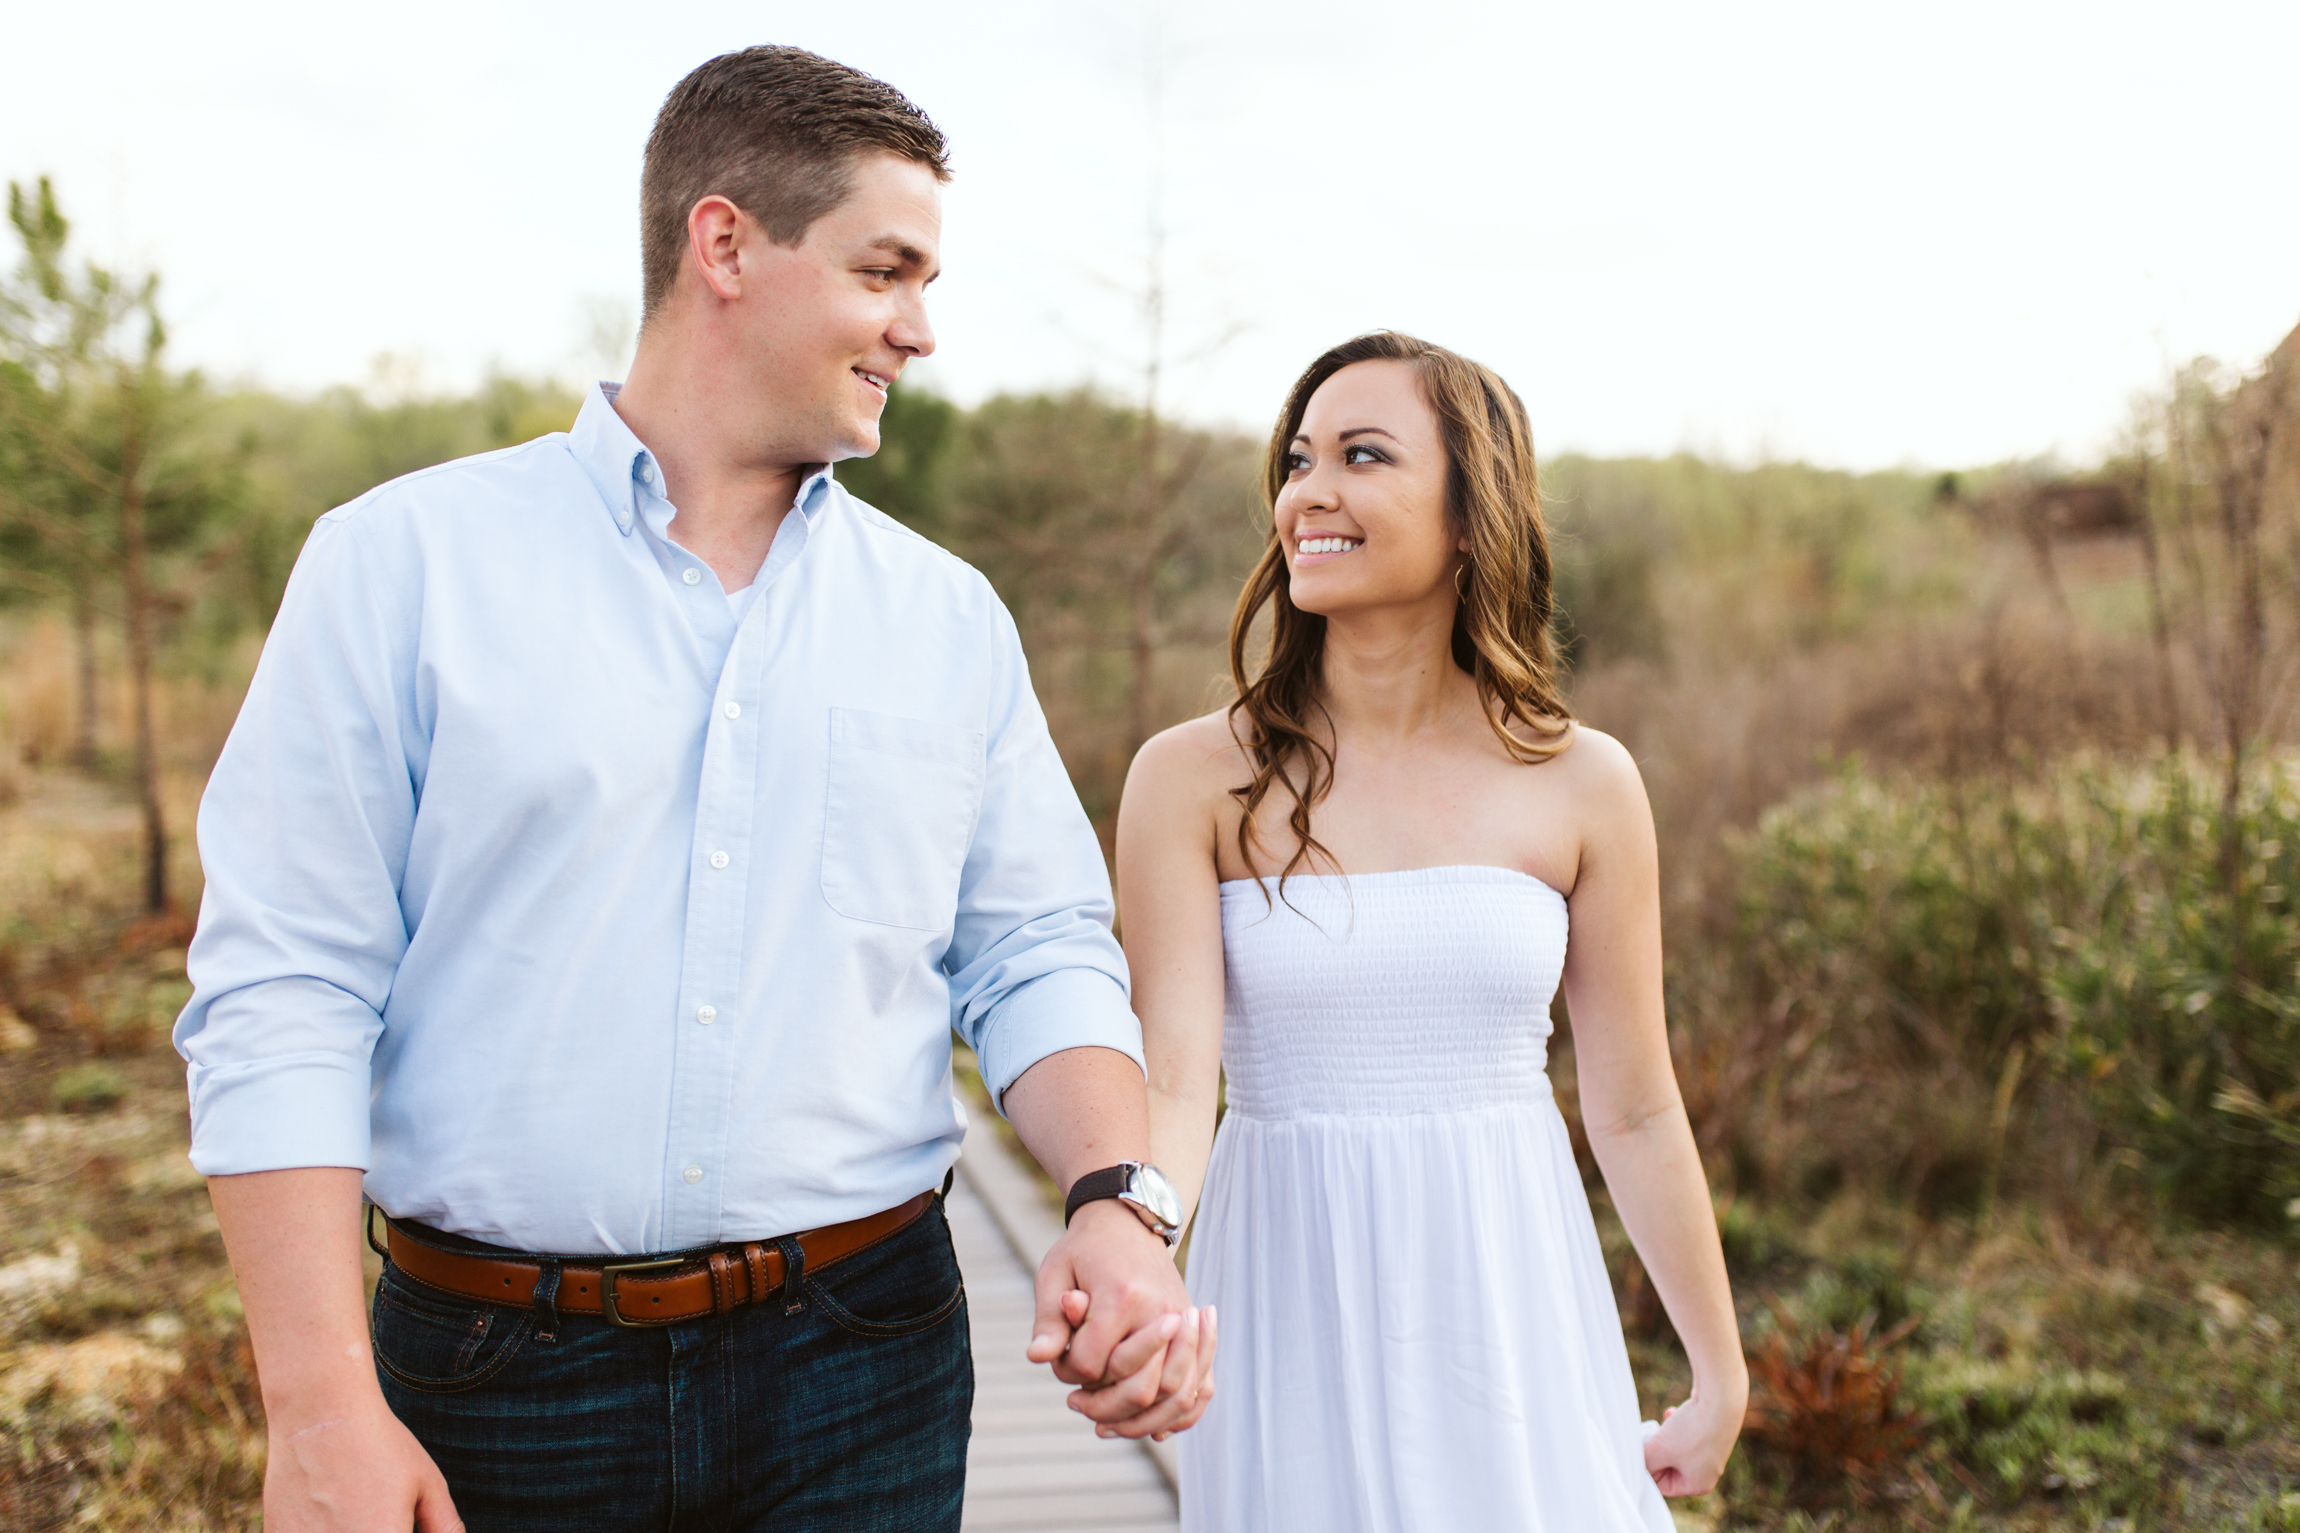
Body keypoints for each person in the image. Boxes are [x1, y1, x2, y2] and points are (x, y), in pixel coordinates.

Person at [174, 46, 1211, 1533]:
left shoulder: (948, 619)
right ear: (723, 243)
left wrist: (1117, 1202)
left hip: (870, 1355)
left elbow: (1035, 950)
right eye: (885, 270)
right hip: (490, 1381)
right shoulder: (398, 566)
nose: (919, 329)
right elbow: (283, 987)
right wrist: (320, 1402)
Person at [1116, 331, 1745, 1529]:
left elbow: (1633, 1104)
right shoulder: (1188, 779)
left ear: (1470, 514)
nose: (1311, 491)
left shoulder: (1582, 782)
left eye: (1362, 456)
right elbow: (1172, 1081)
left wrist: (1717, 1369)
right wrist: (1138, 1256)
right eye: (1298, 460)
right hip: (1285, 1278)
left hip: (1506, 1274)